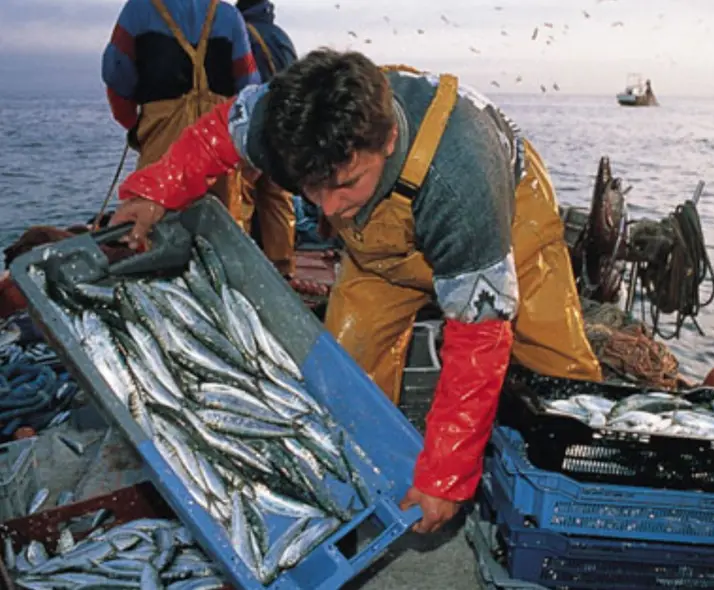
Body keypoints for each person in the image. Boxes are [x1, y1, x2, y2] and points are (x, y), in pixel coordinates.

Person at [108, 49, 604, 534]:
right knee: (345, 378)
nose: (329, 208)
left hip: (506, 218)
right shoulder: (284, 121)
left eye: (345, 184)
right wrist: (153, 193)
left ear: (388, 140)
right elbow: (217, 134)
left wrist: (445, 477)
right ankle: (363, 491)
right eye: (312, 188)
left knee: (557, 364)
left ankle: (588, 499)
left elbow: (479, 335)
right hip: (380, 249)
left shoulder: (461, 180)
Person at [101, 0, 260, 220]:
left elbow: (116, 75)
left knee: (152, 222)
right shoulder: (230, 16)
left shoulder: (138, 9)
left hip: (160, 134)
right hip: (220, 140)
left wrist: (135, 125)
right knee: (221, 223)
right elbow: (248, 86)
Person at [235, 0, 298, 277]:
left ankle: (242, 270)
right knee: (278, 198)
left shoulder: (240, 32)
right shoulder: (281, 36)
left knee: (242, 197)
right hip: (283, 130)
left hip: (253, 127)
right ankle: (283, 268)